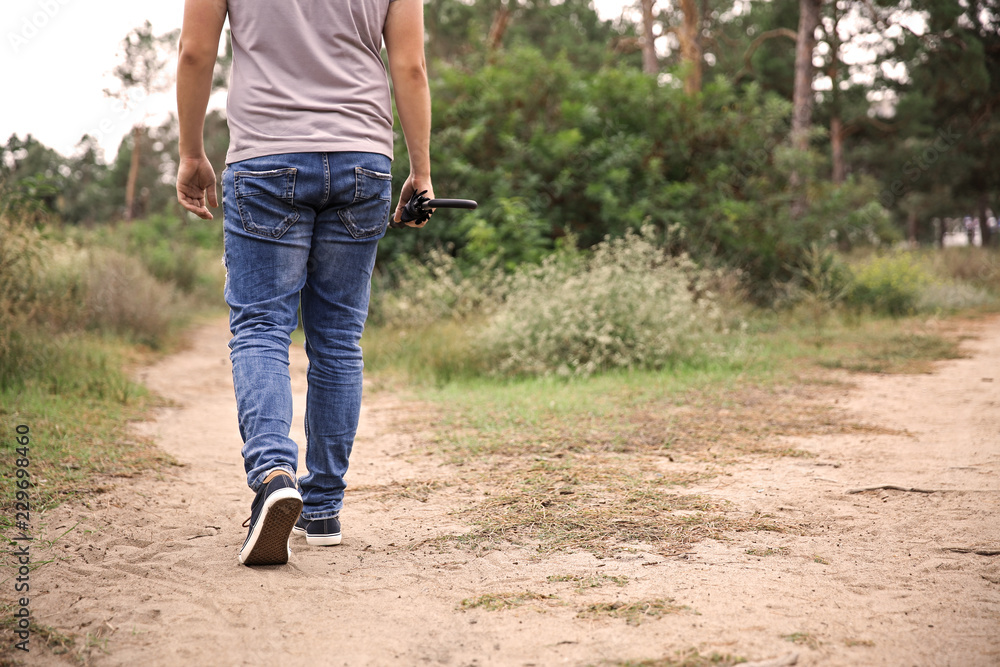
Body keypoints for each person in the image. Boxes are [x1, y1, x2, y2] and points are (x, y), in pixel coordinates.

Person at [175, 0, 433, 566]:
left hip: (266, 155)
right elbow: (409, 66)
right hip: (363, 157)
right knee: (339, 338)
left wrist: (192, 153)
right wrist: (421, 170)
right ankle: (322, 508)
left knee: (262, 329)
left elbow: (196, 52)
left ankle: (273, 477)